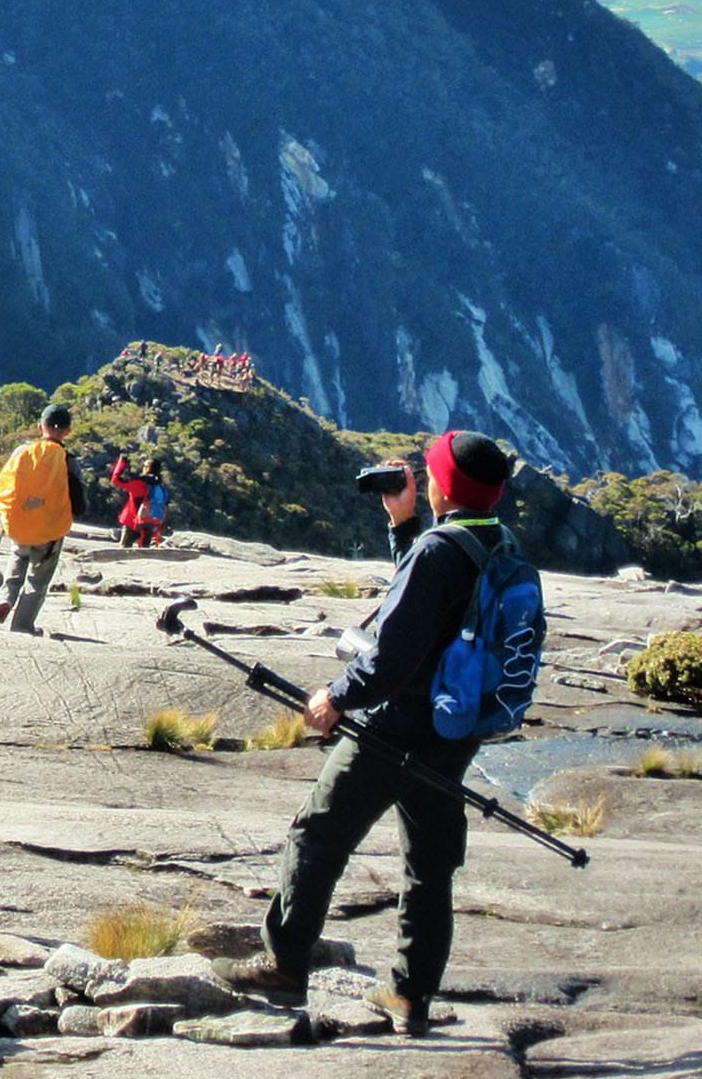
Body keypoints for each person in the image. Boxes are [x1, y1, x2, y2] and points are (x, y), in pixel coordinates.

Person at [223, 430, 519, 1035]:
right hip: (455, 725)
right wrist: (405, 524)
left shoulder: (439, 550)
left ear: (444, 484)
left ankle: (284, 964)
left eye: (430, 472)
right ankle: (409, 995)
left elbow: (394, 655)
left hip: (398, 723)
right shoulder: (500, 544)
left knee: (318, 834)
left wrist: (336, 696)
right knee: (429, 865)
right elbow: (440, 604)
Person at [0, 403, 80, 633]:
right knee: (38, 578)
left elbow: (1, 486)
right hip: (50, 530)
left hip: (20, 524)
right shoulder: (68, 460)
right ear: (68, 431)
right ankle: (23, 624)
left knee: (18, 558)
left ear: (40, 427)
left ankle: (5, 599)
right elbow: (79, 498)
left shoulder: (21, 452)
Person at [109, 452, 154, 548]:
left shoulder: (138, 483)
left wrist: (122, 462)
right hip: (148, 524)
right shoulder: (159, 486)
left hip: (132, 522)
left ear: (147, 468)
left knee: (123, 551)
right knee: (145, 553)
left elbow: (115, 479)